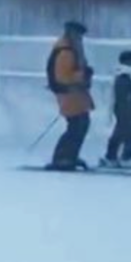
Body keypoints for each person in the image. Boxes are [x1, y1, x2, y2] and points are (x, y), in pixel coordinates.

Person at [47, 20, 95, 171]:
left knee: (80, 124)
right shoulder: (66, 51)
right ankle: (63, 157)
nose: (80, 37)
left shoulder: (72, 47)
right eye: (79, 34)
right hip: (69, 93)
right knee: (77, 125)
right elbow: (63, 76)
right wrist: (83, 75)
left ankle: (70, 155)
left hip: (75, 93)